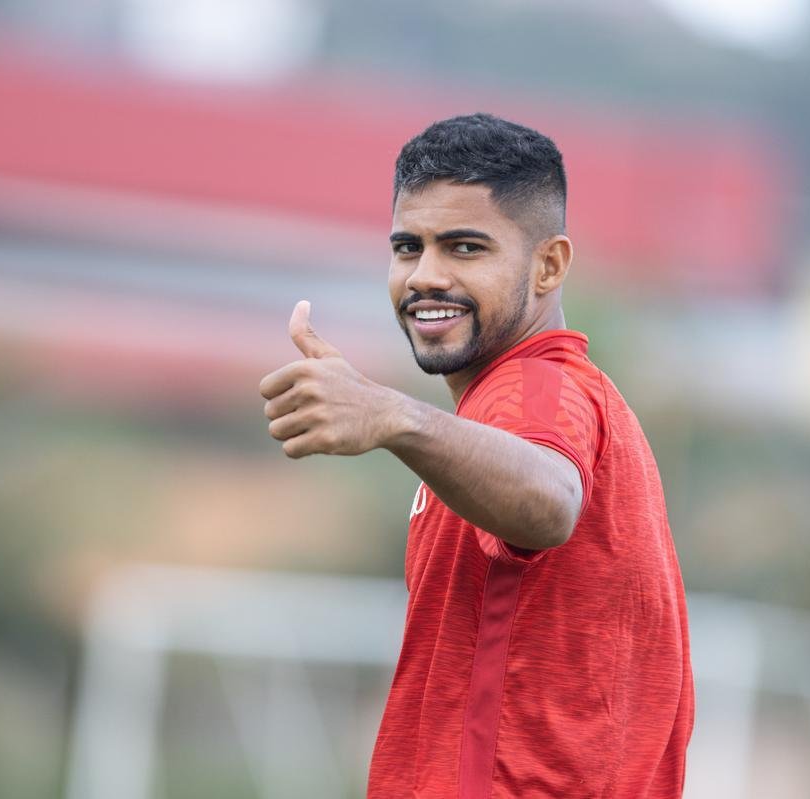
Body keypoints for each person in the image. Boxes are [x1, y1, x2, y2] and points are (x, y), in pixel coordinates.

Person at [259, 113, 693, 798]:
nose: (425, 276)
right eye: (408, 247)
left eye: (464, 248)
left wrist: (392, 414)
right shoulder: (505, 411)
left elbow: (549, 501)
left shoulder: (537, 387)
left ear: (548, 265)